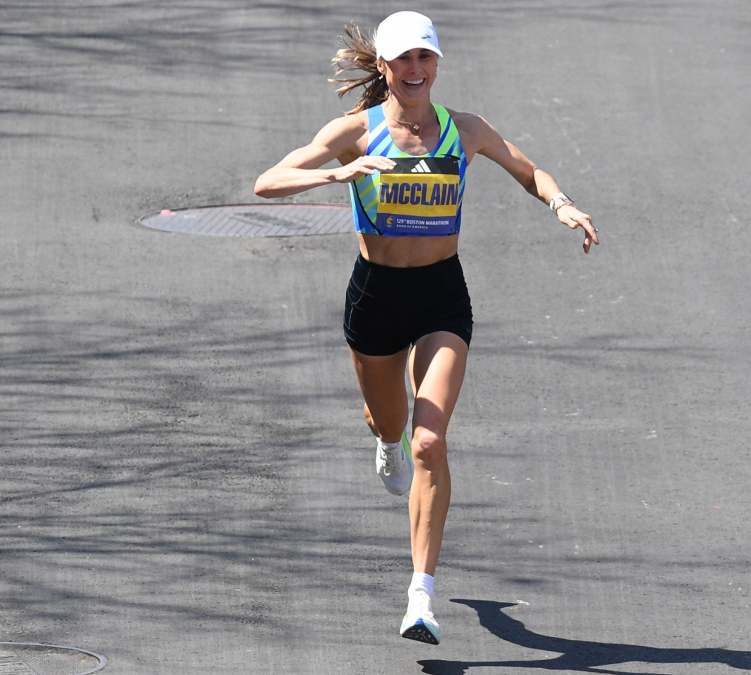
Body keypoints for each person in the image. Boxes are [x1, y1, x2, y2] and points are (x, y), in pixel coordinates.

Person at [253, 10, 597, 645]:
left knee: (429, 441)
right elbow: (267, 182)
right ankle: (384, 437)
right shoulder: (356, 131)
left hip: (442, 298)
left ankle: (421, 596)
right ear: (383, 66)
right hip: (376, 298)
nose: (416, 70)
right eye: (404, 59)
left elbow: (529, 170)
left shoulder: (465, 130)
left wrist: (561, 203)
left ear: (436, 63)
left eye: (425, 58)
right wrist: (338, 172)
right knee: (390, 424)